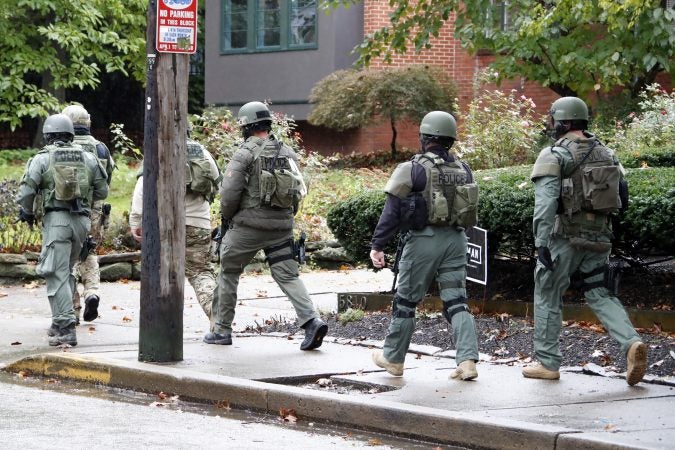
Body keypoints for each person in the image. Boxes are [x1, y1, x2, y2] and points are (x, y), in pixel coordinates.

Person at [523, 96, 647, 386]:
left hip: (564, 237)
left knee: (547, 290)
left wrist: (541, 243)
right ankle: (631, 343)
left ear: (561, 122)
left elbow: (545, 203)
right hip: (600, 236)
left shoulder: (554, 155)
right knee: (599, 293)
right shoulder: (607, 152)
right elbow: (623, 197)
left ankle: (547, 362)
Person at [206, 101, 327, 350]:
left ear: (246, 127)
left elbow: (229, 194)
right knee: (288, 275)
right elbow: (298, 192)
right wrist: (286, 218)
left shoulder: (244, 153)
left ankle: (221, 330)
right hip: (281, 228)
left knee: (228, 272)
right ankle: (311, 321)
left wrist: (227, 219)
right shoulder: (287, 152)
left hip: (247, 229)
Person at [369, 111, 480, 380]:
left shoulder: (413, 169)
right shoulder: (463, 169)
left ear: (425, 137)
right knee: (456, 300)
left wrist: (377, 245)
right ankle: (467, 361)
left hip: (423, 241)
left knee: (406, 301)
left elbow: (392, 211)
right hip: (456, 239)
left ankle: (394, 359)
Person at [15, 113, 108, 346]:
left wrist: (26, 211)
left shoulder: (43, 158)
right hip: (81, 222)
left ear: (48, 135)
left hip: (57, 221)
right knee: (65, 270)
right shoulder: (87, 157)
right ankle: (59, 323)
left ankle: (66, 327)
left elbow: (27, 190)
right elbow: (102, 191)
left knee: (55, 273)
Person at [129, 131, 221, 320]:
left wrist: (136, 220)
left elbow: (142, 187)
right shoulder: (203, 151)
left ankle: (163, 321)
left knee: (162, 270)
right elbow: (217, 185)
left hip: (165, 224)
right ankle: (218, 316)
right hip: (198, 223)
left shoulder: (159, 150)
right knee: (200, 272)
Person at [62, 104, 115, 324]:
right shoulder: (101, 148)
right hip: (95, 209)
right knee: (89, 251)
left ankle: (72, 310)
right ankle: (92, 292)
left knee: (67, 258)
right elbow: (107, 179)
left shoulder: (63, 147)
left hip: (70, 209)